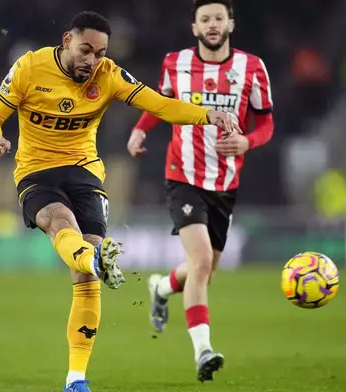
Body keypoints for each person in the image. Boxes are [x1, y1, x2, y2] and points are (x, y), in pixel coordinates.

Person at [0, 11, 237, 392]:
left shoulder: (109, 75)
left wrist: (207, 115)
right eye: (86, 50)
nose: (92, 60)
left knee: (86, 275)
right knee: (58, 220)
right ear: (67, 41)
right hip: (36, 171)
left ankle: (76, 378)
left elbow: (160, 104)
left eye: (100, 53)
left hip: (84, 172)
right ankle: (92, 261)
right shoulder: (28, 68)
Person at [127, 0, 275, 382]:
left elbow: (265, 123)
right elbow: (161, 103)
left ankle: (161, 287)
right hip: (183, 175)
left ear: (231, 24)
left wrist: (247, 143)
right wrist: (141, 128)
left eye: (218, 18)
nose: (212, 25)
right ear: (194, 27)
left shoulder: (252, 68)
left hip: (225, 182)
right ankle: (203, 352)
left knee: (203, 271)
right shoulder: (174, 62)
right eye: (205, 19)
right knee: (202, 260)